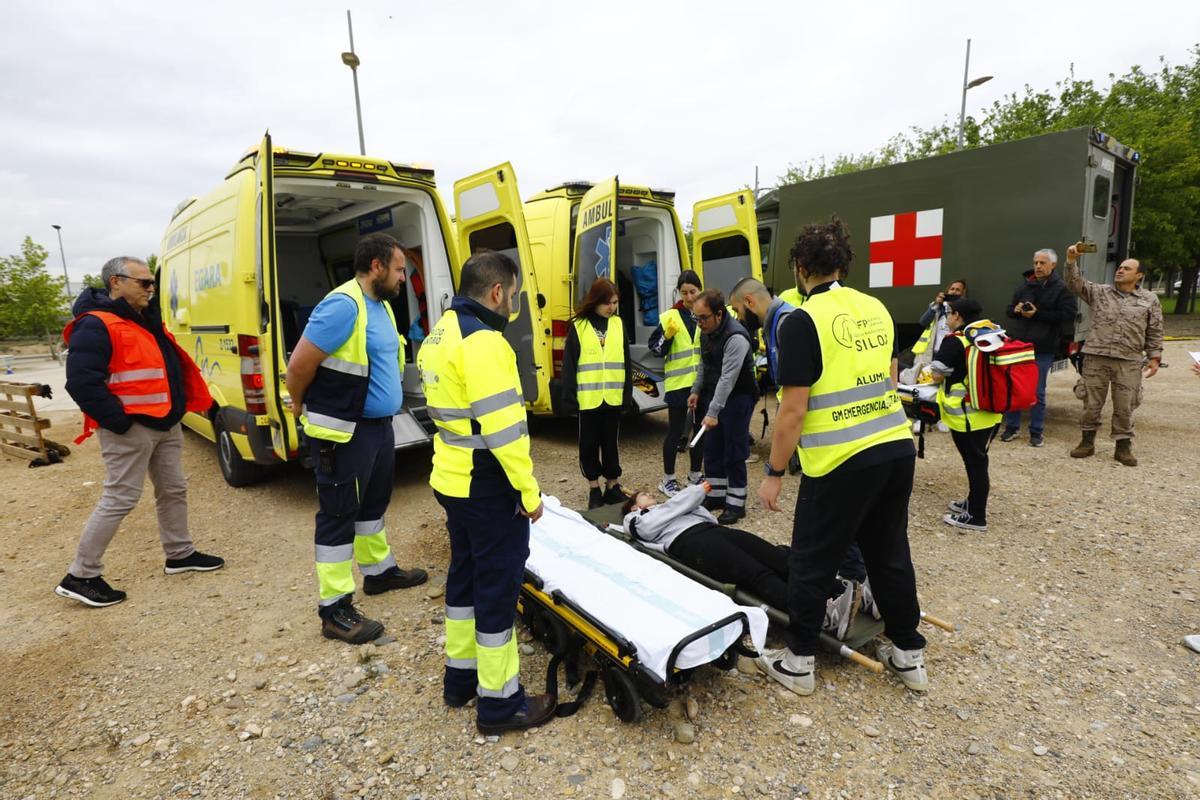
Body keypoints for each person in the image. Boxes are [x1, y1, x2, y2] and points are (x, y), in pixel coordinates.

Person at [756, 217, 927, 696]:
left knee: (811, 561)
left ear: (800, 267)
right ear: (843, 266)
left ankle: (799, 662)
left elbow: (793, 410)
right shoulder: (876, 308)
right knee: (889, 553)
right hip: (893, 447)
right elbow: (888, 379)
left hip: (839, 459)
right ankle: (909, 654)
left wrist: (773, 472)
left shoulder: (801, 320)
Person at [417, 249, 555, 735]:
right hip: (487, 485)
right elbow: (505, 434)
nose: (513, 303)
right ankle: (500, 704)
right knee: (497, 589)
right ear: (497, 292)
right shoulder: (486, 343)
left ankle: (461, 679)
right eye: (513, 294)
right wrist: (529, 492)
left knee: (465, 577)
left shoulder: (439, 334)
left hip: (452, 480)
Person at [286, 232, 428, 646]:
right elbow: (299, 365)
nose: (403, 277)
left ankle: (378, 573)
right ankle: (334, 609)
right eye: (399, 269)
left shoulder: (379, 306)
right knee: (338, 514)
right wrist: (299, 404)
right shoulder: (343, 306)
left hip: (378, 427)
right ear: (377, 266)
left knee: (372, 504)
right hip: (344, 430)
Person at [57, 257, 224, 608]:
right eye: (144, 282)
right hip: (131, 428)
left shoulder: (144, 319)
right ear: (115, 283)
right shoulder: (96, 324)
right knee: (120, 498)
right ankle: (81, 575)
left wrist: (176, 411)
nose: (151, 288)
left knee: (174, 489)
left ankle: (180, 554)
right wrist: (120, 422)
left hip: (165, 423)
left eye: (152, 283)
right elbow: (82, 382)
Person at [621, 484, 869, 640]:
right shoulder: (635, 519)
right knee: (757, 574)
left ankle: (842, 590)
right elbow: (647, 529)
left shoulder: (671, 507)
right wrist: (691, 495)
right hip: (690, 542)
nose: (651, 495)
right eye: (644, 495)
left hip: (714, 532)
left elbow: (707, 516)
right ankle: (821, 618)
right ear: (633, 506)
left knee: (778, 558)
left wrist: (685, 502)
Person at [1063, 245, 1164, 466]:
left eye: (1127, 269)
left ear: (1139, 275)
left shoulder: (1149, 299)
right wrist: (1071, 260)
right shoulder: (1100, 292)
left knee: (1125, 405)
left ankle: (1123, 447)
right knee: (1091, 402)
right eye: (1119, 267)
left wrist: (1154, 357)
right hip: (1096, 356)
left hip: (1129, 360)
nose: (1120, 270)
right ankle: (1087, 442)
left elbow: (1155, 330)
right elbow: (1074, 283)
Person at [927, 298, 1004, 532]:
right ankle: (972, 501)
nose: (948, 319)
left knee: (975, 464)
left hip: (967, 416)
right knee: (979, 460)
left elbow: (937, 375)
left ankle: (977, 516)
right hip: (991, 411)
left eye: (949, 314)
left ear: (957, 316)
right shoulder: (992, 334)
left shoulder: (956, 341)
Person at [688, 289, 759, 524]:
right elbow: (705, 363)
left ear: (718, 314)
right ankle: (716, 495)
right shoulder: (706, 331)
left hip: (738, 397)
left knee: (734, 450)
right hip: (715, 393)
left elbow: (728, 379)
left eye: (703, 318)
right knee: (712, 447)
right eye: (695, 318)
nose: (699, 323)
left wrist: (713, 412)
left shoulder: (736, 337)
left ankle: (736, 504)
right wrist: (696, 390)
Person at [560, 278, 632, 508]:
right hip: (588, 399)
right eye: (607, 303)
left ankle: (612, 486)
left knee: (611, 443)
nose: (612, 307)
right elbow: (569, 365)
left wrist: (627, 394)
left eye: (615, 303)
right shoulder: (579, 326)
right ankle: (594, 489)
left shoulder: (618, 324)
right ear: (595, 301)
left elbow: (626, 362)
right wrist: (568, 396)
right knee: (588, 444)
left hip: (612, 397)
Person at [1000, 249, 1078, 447]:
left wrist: (1037, 314)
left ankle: (1036, 431)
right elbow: (1009, 310)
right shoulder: (1025, 286)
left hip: (1043, 347)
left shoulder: (1061, 288)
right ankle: (1012, 427)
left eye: (1042, 263)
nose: (1038, 266)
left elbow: (1068, 315)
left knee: (1037, 392)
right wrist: (1016, 310)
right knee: (1014, 387)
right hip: (1019, 345)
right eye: (1036, 262)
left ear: (1053, 265)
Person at [648, 271, 705, 496]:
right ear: (679, 293)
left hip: (701, 384)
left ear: (700, 290)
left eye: (693, 292)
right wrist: (667, 336)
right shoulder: (669, 316)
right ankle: (668, 479)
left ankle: (695, 474)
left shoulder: (706, 313)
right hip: (678, 385)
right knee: (675, 432)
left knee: (699, 431)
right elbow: (656, 349)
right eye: (684, 293)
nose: (689, 297)